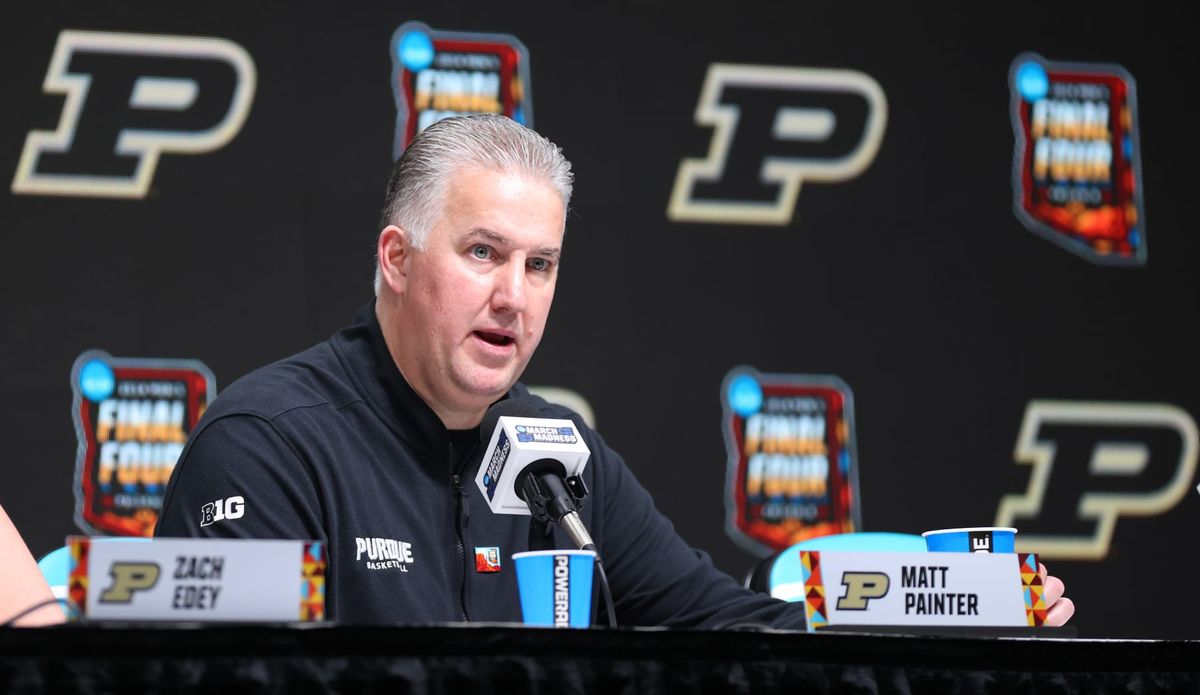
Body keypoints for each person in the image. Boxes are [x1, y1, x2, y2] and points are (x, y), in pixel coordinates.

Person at [156, 114, 1073, 628]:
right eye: (483, 252)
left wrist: (964, 612)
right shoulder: (268, 445)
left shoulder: (555, 452)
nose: (514, 296)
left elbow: (723, 627)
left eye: (540, 264)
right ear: (396, 258)